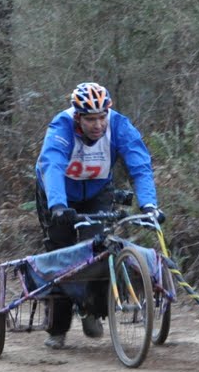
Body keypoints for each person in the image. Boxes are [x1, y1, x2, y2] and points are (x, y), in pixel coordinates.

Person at [33, 81, 161, 348]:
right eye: (91, 119)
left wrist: (149, 205)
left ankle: (93, 310)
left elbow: (139, 164)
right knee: (61, 254)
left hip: (97, 191)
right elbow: (52, 164)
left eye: (102, 117)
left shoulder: (119, 125)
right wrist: (57, 205)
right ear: (78, 116)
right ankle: (58, 329)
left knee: (97, 250)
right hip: (58, 194)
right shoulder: (61, 126)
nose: (98, 125)